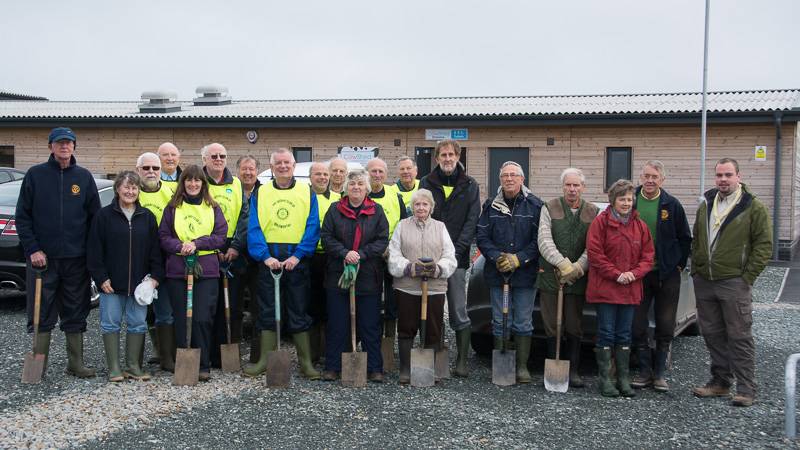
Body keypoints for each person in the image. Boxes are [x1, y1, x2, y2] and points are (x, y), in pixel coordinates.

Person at [16, 127, 101, 378]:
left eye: (69, 143)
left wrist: (90, 253)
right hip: (43, 260)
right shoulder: (35, 175)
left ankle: (75, 364)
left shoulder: (84, 177)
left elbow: (94, 219)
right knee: (41, 311)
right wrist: (33, 249)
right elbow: (23, 216)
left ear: (74, 147)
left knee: (76, 310)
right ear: (51, 147)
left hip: (76, 260)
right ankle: (37, 365)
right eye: (59, 143)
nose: (64, 147)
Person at [691, 158, 772, 407]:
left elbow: (764, 245)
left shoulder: (752, 207)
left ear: (739, 176)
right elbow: (697, 237)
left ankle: (746, 388)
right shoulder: (706, 204)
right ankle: (720, 382)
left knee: (739, 335)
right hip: (706, 280)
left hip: (734, 281)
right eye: (719, 175)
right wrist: (697, 268)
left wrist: (747, 277)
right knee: (712, 333)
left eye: (728, 175)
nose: (723, 180)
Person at [244, 148, 321, 380]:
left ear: (294, 165)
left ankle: (306, 363)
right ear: (272, 167)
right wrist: (264, 256)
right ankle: (263, 362)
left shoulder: (307, 192)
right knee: (268, 310)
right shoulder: (262, 192)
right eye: (278, 163)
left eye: (287, 162)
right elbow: (254, 226)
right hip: (269, 261)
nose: (283, 166)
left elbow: (312, 226)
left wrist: (298, 256)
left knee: (298, 311)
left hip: (296, 262)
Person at [87, 171, 163, 382]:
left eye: (134, 188)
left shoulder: (147, 217)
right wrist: (101, 278)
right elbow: (94, 251)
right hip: (111, 284)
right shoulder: (103, 216)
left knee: (138, 323)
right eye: (126, 187)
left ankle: (133, 366)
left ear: (139, 191)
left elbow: (155, 252)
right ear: (117, 189)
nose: (130, 191)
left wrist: (154, 278)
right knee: (110, 324)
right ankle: (114, 368)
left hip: (140, 285)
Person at [586, 179, 654, 398]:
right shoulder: (600, 223)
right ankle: (605, 379)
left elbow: (648, 255)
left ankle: (623, 379)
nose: (626, 203)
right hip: (606, 288)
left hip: (630, 288)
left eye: (629, 199)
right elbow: (595, 254)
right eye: (622, 199)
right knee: (606, 333)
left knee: (625, 334)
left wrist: (633, 274)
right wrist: (616, 274)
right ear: (612, 200)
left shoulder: (640, 226)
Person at [159, 165, 227, 381]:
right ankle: (185, 362)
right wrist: (180, 246)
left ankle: (203, 364)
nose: (193, 184)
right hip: (178, 271)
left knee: (202, 318)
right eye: (189, 180)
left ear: (203, 184)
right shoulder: (172, 208)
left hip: (206, 270)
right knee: (181, 318)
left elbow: (220, 236)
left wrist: (197, 243)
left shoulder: (213, 206)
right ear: (183, 183)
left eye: (197, 180)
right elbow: (163, 236)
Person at [320, 169, 389, 382]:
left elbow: (382, 239)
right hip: (338, 275)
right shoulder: (334, 210)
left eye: (360, 184)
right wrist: (345, 253)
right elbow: (326, 236)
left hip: (368, 275)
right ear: (346, 188)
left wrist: (361, 254)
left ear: (367, 188)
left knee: (370, 324)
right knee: (338, 323)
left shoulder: (376, 211)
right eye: (352, 184)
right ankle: (333, 366)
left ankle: (374, 368)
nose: (356, 188)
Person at [476, 161, 542, 384]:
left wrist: (519, 258)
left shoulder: (535, 205)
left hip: (525, 274)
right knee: (500, 319)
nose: (509, 179)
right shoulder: (490, 206)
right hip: (498, 273)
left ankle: (522, 367)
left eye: (514, 175)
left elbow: (539, 240)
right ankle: (502, 364)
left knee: (523, 321)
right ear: (500, 179)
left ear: (522, 179)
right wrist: (497, 257)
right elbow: (482, 237)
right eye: (505, 175)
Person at [420, 139, 480, 377]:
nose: (447, 159)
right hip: (431, 260)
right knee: (433, 308)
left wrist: (456, 250)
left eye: (451, 155)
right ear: (436, 158)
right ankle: (434, 352)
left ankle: (462, 360)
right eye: (443, 155)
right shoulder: (426, 182)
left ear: (458, 157)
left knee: (457, 308)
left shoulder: (470, 184)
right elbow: (422, 214)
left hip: (456, 259)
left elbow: (472, 219)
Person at [630, 160, 692, 392]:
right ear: (640, 177)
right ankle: (644, 372)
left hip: (666, 274)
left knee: (665, 325)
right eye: (646, 176)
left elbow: (685, 238)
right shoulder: (630, 201)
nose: (649, 180)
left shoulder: (671, 205)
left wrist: (677, 265)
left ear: (662, 180)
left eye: (654, 177)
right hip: (638, 274)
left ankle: (659, 374)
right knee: (637, 325)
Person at [536, 168, 598, 388]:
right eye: (568, 185)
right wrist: (561, 263)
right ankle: (554, 365)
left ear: (583, 187)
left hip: (577, 278)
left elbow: (594, 246)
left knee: (574, 325)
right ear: (562, 187)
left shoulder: (592, 211)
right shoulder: (549, 207)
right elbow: (543, 239)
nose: (572, 189)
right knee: (552, 325)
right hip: (551, 276)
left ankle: (573, 371)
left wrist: (577, 268)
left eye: (576, 185)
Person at [388, 189, 457, 384]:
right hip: (408, 286)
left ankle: (428, 369)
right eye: (417, 204)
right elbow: (394, 255)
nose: (421, 208)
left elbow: (450, 256)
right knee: (406, 327)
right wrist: (409, 267)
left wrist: (437, 269)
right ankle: (405, 370)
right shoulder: (402, 226)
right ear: (412, 207)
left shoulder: (440, 227)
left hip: (434, 287)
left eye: (425, 204)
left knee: (433, 328)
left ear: (431, 207)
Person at [201, 143, 248, 369]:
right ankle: (208, 354)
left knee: (234, 305)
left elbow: (244, 217)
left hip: (232, 250)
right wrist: (213, 247)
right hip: (208, 249)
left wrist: (236, 247)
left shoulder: (236, 183)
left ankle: (229, 351)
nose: (218, 159)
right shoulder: (196, 183)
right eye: (214, 156)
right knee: (210, 305)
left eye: (222, 155)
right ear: (205, 159)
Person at [136, 152, 178, 372]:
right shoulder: (132, 192)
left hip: (165, 260)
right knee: (142, 311)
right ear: (138, 170)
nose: (151, 172)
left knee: (165, 310)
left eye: (155, 168)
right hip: (138, 259)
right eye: (146, 168)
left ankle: (166, 357)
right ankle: (146, 355)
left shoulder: (172, 192)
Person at [365, 158, 408, 350]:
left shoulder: (394, 195)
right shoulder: (360, 193)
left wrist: (391, 248)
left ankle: (388, 345)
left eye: (380, 171)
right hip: (369, 256)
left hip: (392, 254)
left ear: (386, 174)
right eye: (373, 171)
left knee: (392, 301)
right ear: (367, 173)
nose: (377, 175)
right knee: (371, 299)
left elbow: (403, 224)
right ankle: (370, 341)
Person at [309, 161, 341, 362]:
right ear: (310, 178)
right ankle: (312, 354)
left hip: (332, 258)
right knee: (312, 306)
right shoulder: (304, 198)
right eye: (317, 174)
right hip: (310, 257)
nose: (322, 177)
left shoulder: (339, 199)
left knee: (332, 305)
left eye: (325, 174)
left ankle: (330, 352)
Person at [233, 155, 263, 363]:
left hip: (258, 257)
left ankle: (257, 355)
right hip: (234, 256)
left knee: (258, 308)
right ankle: (232, 351)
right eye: (244, 169)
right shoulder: (232, 190)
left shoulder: (265, 192)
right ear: (238, 171)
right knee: (233, 306)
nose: (248, 172)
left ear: (257, 171)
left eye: (251, 169)